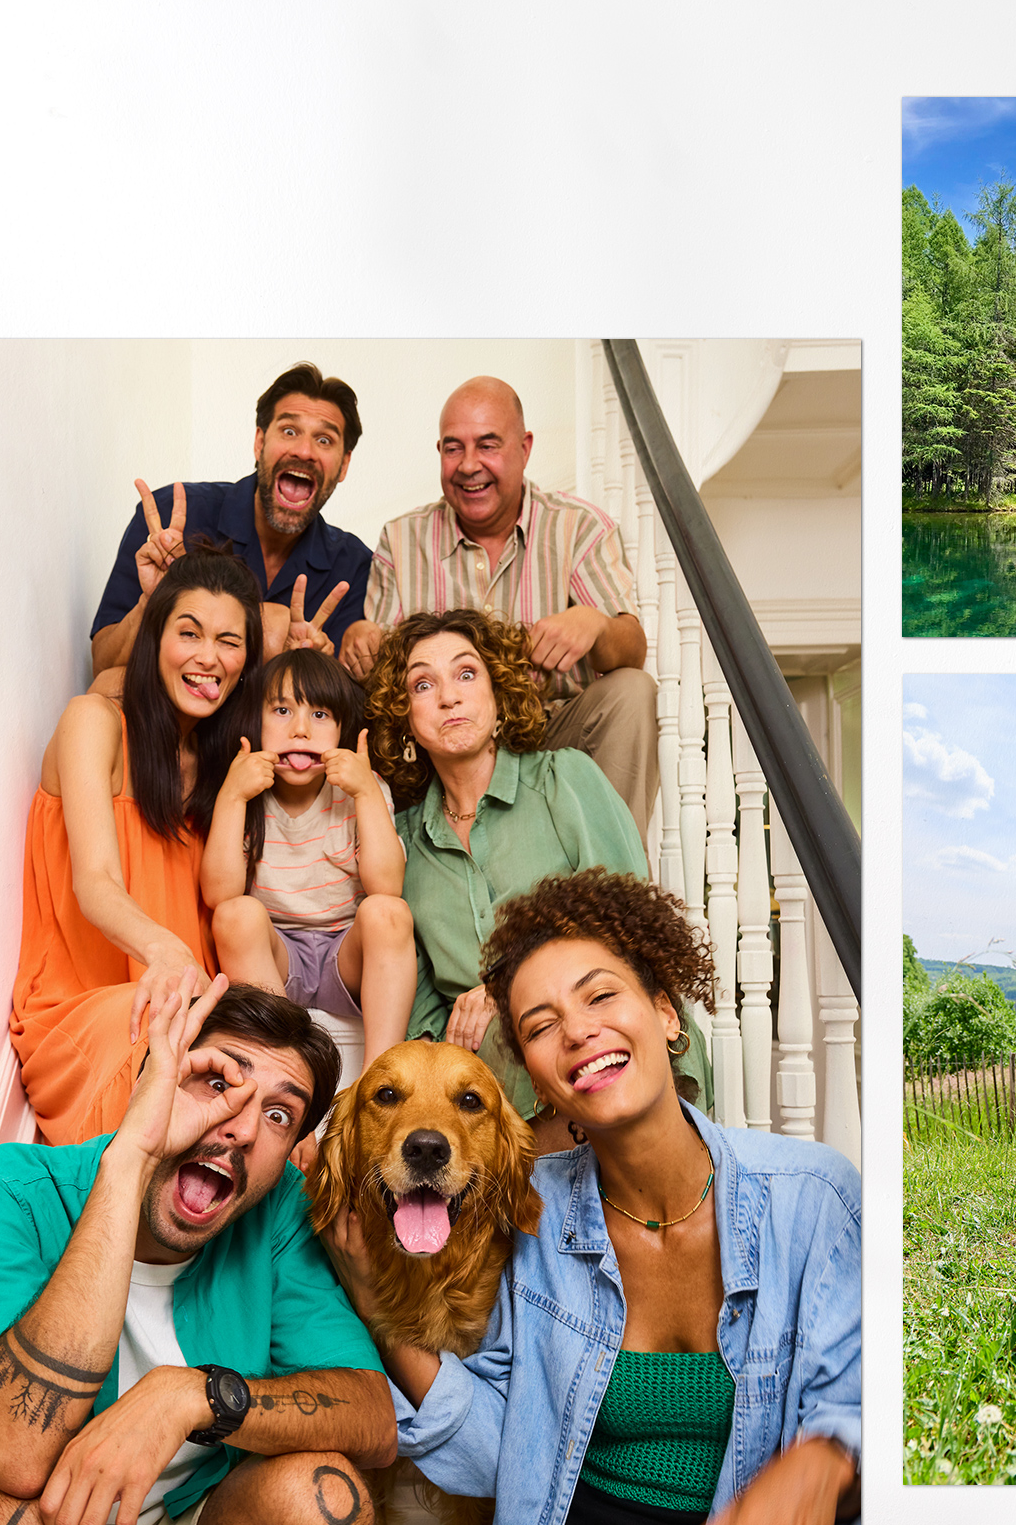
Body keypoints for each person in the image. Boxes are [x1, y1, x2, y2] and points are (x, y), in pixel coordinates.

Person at [340, 873, 858, 1525]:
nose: (578, 1032)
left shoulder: (815, 1196)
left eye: (600, 997)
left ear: (663, 1010)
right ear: (537, 1081)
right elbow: (488, 1459)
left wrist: (828, 1456)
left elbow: (858, 1399)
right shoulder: (522, 1212)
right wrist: (372, 1296)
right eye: (541, 1025)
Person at [0, 977, 391, 1525]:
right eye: (216, 1081)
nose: (241, 1126)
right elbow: (12, 1449)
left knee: (327, 1499)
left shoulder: (274, 1215)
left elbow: (374, 1417)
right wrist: (129, 1159)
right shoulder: (3, 1191)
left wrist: (191, 1396)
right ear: (153, 1078)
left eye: (280, 1115)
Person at [363, 606, 709, 1127]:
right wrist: (452, 1054)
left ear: (497, 694)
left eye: (465, 673)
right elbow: (417, 998)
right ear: (405, 717)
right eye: (422, 685)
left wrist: (508, 988)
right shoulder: (404, 840)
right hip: (491, 1080)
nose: (448, 696)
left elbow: (630, 927)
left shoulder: (564, 780)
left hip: (601, 1036)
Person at [341, 375, 661, 847]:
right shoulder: (402, 540)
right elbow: (385, 682)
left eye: (488, 445)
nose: (469, 465)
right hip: (445, 755)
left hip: (551, 734)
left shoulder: (578, 527)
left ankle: (612, 872)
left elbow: (632, 650)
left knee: (633, 690)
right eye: (454, 449)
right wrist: (362, 641)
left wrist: (596, 626)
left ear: (525, 447)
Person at [9, 548, 259, 1143]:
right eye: (189, 633)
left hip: (186, 1005)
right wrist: (168, 953)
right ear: (154, 638)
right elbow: (96, 883)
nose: (208, 657)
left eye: (229, 641)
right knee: (172, 1064)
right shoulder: (94, 721)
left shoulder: (225, 771)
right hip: (86, 1009)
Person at [88, 364, 373, 676]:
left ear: (344, 465)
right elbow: (104, 665)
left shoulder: (355, 566)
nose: (304, 450)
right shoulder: (172, 517)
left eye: (324, 440)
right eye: (289, 431)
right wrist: (153, 602)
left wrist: (317, 667)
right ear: (260, 443)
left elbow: (347, 702)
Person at [206, 645, 412, 1069]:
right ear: (255, 722)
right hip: (277, 959)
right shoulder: (242, 790)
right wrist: (231, 796)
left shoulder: (363, 788)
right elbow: (218, 893)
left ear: (342, 729)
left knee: (388, 912)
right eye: (282, 711)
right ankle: (279, 1061)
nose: (300, 730)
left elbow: (387, 886)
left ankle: (381, 1073)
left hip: (346, 955)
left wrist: (366, 793)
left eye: (319, 715)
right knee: (234, 915)